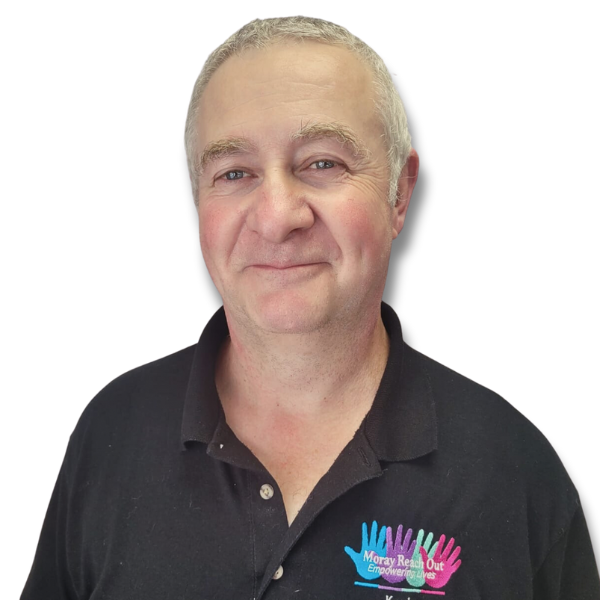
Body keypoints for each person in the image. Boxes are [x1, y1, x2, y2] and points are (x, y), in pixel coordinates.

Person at [21, 16, 599, 600]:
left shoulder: (513, 473)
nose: (277, 217)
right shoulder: (111, 435)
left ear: (399, 193)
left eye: (323, 163)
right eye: (234, 172)